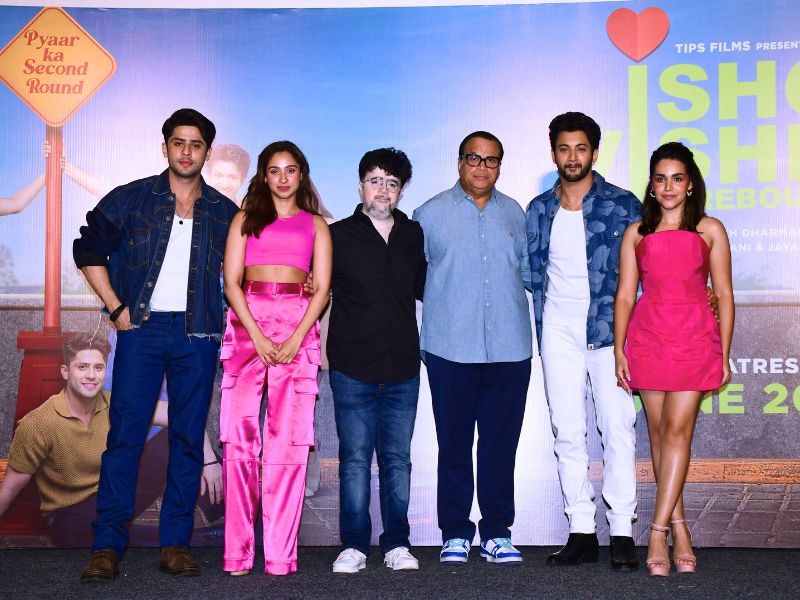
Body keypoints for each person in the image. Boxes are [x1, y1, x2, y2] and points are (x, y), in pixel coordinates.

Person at [73, 108, 239, 581]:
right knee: (124, 438)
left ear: (207, 152)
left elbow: (249, 268)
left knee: (187, 439)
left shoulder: (225, 212)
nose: (186, 152)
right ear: (164, 146)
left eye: (196, 144)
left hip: (197, 335)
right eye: (178, 142)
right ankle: (106, 546)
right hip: (141, 332)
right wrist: (115, 308)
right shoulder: (132, 198)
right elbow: (88, 247)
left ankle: (175, 544)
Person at [526, 112, 639, 570]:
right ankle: (581, 531)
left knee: (618, 429)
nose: (572, 157)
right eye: (564, 149)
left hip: (611, 332)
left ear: (594, 152)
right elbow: (532, 272)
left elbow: (647, 268)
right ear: (553, 153)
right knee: (568, 431)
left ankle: (623, 531)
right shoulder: (538, 209)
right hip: (557, 331)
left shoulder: (623, 205)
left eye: (580, 148)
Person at [614, 141, 733, 576]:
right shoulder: (637, 233)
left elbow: (724, 294)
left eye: (677, 178)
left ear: (690, 185)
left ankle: (657, 531)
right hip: (648, 339)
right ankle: (680, 528)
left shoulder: (710, 230)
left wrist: (724, 353)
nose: (668, 187)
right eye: (660, 178)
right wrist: (619, 349)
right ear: (651, 185)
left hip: (695, 339)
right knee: (660, 437)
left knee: (678, 431)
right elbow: (625, 295)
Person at [413, 131, 531, 565]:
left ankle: (497, 532)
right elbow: (413, 280)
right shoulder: (427, 215)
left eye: (491, 160)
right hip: (449, 348)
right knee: (454, 445)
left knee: (501, 446)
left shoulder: (515, 213)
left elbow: (530, 273)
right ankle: (455, 533)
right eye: (474, 158)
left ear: (500, 166)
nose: (482, 167)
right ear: (459, 162)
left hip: (510, 349)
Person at [219, 140, 331, 576]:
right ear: (263, 176)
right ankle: (238, 554)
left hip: (297, 326)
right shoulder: (244, 218)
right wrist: (255, 333)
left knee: (288, 443)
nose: (283, 178)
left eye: (290, 170)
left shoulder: (316, 225)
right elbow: (231, 283)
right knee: (239, 441)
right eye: (274, 170)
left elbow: (321, 289)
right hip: (247, 324)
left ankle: (281, 557)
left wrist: (297, 336)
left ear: (301, 174)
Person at [0, 333, 221, 546]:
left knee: (172, 440)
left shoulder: (115, 403)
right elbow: (9, 488)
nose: (91, 375)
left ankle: (230, 513)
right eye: (82, 367)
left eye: (98, 368)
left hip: (113, 495)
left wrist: (209, 461)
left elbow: (183, 414)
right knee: (107, 532)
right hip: (71, 516)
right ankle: (202, 539)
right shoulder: (38, 423)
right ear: (65, 372)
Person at [327, 148, 426, 574]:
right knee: (354, 460)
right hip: (352, 365)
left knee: (397, 460)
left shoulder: (413, 234)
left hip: (403, 364)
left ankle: (397, 544)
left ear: (400, 191)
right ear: (360, 186)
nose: (382, 190)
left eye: (391, 183)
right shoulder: (336, 235)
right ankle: (353, 545)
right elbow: (315, 288)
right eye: (375, 181)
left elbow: (426, 287)